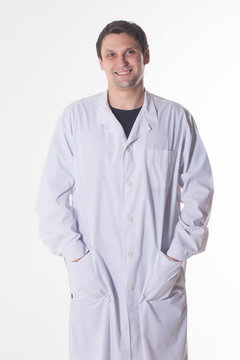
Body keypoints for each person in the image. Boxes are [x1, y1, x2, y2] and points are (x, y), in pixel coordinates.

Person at [36, 20, 214, 360]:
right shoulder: (76, 120)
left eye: (130, 52)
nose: (122, 62)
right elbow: (52, 200)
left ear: (146, 55)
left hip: (157, 277)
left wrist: (174, 257)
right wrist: (78, 260)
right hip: (96, 278)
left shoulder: (176, 120)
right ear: (101, 62)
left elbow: (200, 191)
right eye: (112, 54)